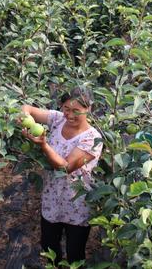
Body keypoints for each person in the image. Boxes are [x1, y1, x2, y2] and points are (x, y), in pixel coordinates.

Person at [20, 85, 103, 265]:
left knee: (75, 254)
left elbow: (66, 167)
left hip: (77, 203)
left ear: (88, 109)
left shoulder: (93, 139)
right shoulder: (57, 119)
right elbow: (27, 108)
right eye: (66, 109)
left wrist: (44, 145)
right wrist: (26, 118)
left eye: (76, 111)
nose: (70, 115)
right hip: (51, 197)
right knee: (49, 247)